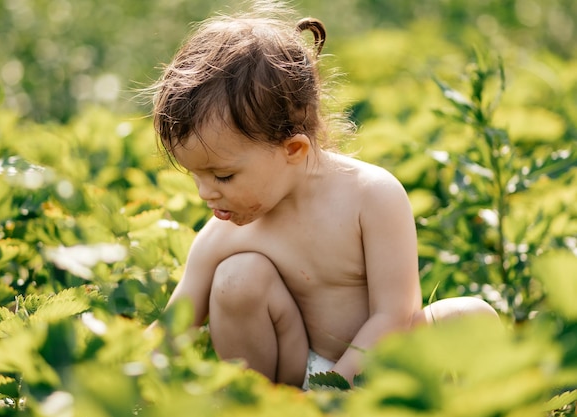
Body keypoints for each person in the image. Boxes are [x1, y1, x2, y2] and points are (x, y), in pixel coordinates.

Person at [150, 1, 498, 389]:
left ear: (293, 150)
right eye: (195, 176)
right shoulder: (227, 231)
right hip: (298, 377)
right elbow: (172, 328)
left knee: (471, 315)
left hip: (385, 366)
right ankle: (258, 404)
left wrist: (330, 395)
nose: (204, 193)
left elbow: (394, 315)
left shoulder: (372, 196)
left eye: (223, 175)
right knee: (236, 278)